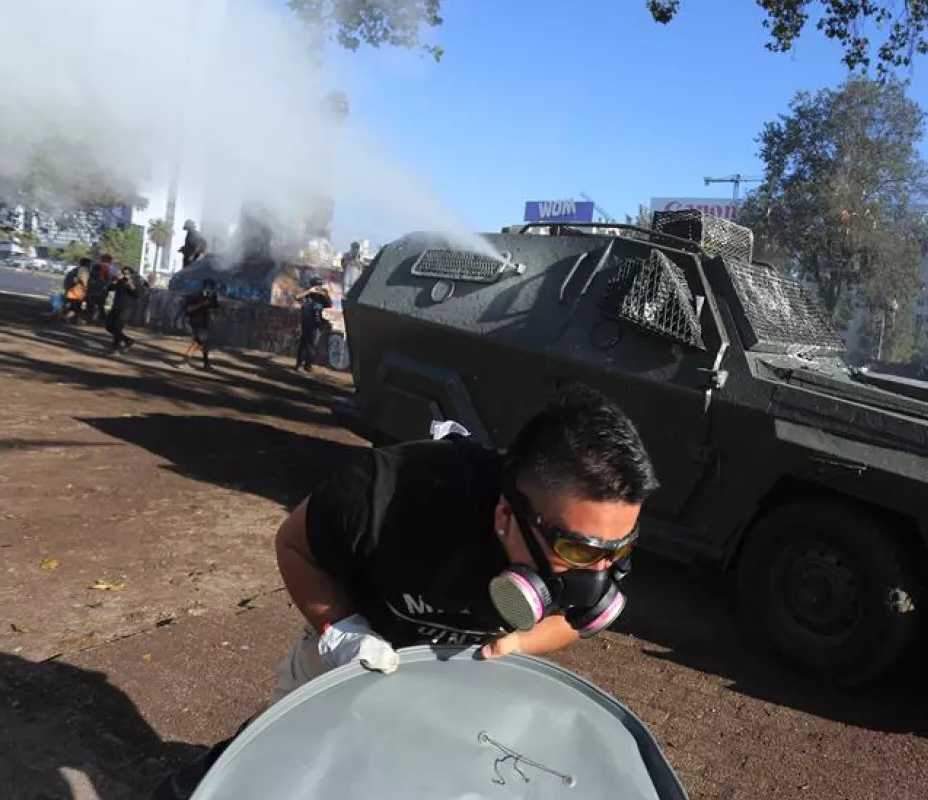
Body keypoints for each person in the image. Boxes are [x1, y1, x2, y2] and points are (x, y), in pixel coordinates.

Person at [151, 383, 657, 800]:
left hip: (456, 678)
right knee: (284, 763)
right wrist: (341, 632)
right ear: (508, 515)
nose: (599, 570)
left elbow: (578, 615)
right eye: (581, 551)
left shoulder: (597, 545)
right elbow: (294, 546)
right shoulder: (384, 494)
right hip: (349, 652)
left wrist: (521, 643)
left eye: (618, 548)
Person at [178, 278, 220, 369]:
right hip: (195, 322)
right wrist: (202, 304)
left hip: (205, 322)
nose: (209, 289)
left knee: (200, 343)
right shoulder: (195, 295)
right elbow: (188, 309)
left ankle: (203, 363)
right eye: (208, 287)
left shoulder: (213, 297)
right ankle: (187, 361)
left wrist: (214, 315)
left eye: (211, 287)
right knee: (200, 342)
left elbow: (215, 309)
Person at [293, 277, 331, 371]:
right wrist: (309, 291)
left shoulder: (322, 296)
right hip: (306, 322)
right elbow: (297, 297)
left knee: (312, 345)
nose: (318, 288)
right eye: (317, 286)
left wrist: (324, 294)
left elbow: (329, 304)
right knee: (304, 344)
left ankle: (307, 365)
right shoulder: (307, 294)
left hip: (316, 323)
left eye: (319, 286)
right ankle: (300, 365)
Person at [105, 266, 138, 352]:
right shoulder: (119, 281)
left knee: (117, 327)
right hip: (116, 306)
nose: (125, 275)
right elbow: (109, 288)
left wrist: (131, 284)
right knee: (108, 326)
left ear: (131, 274)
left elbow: (137, 295)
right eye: (123, 273)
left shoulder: (135, 282)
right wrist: (114, 281)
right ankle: (127, 340)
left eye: (126, 273)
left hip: (127, 308)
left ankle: (115, 347)